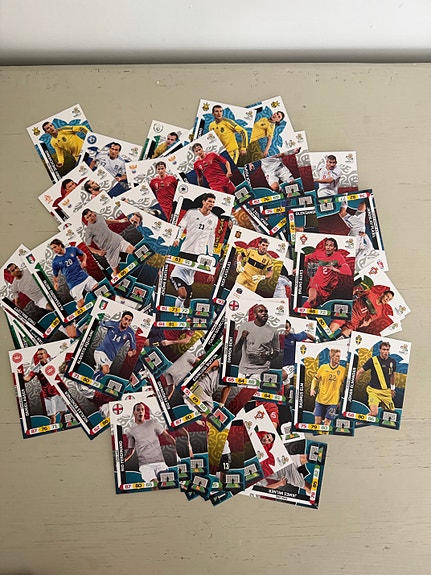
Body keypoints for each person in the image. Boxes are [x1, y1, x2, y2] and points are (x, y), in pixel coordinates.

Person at [170, 193, 218, 310]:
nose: (211, 204)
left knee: (188, 299)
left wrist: (210, 255)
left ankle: (182, 313)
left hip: (200, 254)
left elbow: (211, 237)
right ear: (203, 201)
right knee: (183, 294)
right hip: (186, 250)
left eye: (213, 202)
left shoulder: (214, 218)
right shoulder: (192, 213)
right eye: (209, 201)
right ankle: (175, 312)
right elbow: (181, 226)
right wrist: (177, 238)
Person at [124, 402, 179, 483]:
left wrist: (177, 447)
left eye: (142, 409)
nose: (140, 412)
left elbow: (166, 436)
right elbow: (131, 449)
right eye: (138, 410)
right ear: (134, 412)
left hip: (160, 463)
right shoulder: (130, 431)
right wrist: (123, 460)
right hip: (145, 466)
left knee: (167, 484)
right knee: (155, 484)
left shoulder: (153, 423)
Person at [19, 348, 67, 425]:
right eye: (38, 354)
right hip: (48, 395)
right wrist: (19, 375)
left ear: (46, 355)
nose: (39, 356)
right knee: (52, 417)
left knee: (63, 413)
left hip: (59, 391)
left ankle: (64, 428)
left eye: (41, 354)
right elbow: (27, 379)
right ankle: (53, 430)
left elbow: (64, 359)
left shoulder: (53, 361)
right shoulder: (37, 368)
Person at [82, 208, 135, 277]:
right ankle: (115, 276)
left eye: (90, 215)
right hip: (109, 251)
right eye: (87, 218)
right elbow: (88, 247)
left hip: (118, 241)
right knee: (117, 273)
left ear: (93, 213)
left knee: (135, 251)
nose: (90, 218)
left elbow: (106, 221)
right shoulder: (89, 231)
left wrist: (120, 221)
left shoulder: (100, 217)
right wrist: (98, 252)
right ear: (86, 220)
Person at [234, 304, 281, 380]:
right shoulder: (244, 326)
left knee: (252, 388)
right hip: (244, 370)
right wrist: (242, 338)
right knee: (240, 388)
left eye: (266, 311)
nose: (264, 313)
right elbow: (236, 349)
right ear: (255, 315)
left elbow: (277, 351)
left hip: (261, 370)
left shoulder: (273, 331)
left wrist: (269, 357)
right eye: (261, 311)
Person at [50, 238, 99, 309]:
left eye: (55, 247)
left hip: (83, 276)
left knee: (97, 288)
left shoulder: (72, 249)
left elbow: (84, 255)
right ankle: (78, 311)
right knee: (81, 304)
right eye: (52, 249)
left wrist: (84, 261)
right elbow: (55, 275)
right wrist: (55, 283)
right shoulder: (55, 261)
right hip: (73, 283)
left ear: (60, 245)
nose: (54, 250)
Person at [303, 237, 352, 308]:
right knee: (312, 298)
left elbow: (348, 272)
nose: (328, 247)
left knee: (314, 304)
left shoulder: (338, 257)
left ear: (335, 248)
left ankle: (303, 313)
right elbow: (307, 258)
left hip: (326, 287)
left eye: (331, 245)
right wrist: (299, 268)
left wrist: (334, 269)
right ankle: (299, 312)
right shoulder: (319, 254)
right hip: (316, 281)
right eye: (326, 245)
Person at [330, 287, 395, 338]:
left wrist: (366, 323)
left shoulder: (379, 311)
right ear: (382, 294)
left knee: (343, 336)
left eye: (389, 299)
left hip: (355, 321)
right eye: (387, 296)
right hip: (348, 310)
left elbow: (369, 320)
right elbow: (356, 292)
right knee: (331, 329)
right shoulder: (370, 293)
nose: (387, 299)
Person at [92, 309, 137, 382]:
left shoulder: (130, 333)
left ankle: (89, 384)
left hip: (111, 358)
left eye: (129, 320)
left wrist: (132, 352)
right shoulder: (112, 324)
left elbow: (134, 349)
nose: (127, 322)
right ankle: (90, 384)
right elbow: (99, 323)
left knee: (100, 373)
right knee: (106, 370)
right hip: (101, 352)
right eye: (125, 319)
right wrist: (88, 326)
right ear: (121, 318)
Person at [355, 341, 397, 417]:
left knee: (392, 415)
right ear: (380, 350)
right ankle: (360, 420)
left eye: (387, 350)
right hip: (373, 391)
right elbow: (359, 372)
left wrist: (392, 388)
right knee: (374, 413)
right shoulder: (373, 360)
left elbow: (393, 375)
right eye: (384, 349)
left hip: (386, 392)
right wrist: (353, 384)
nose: (386, 352)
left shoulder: (392, 362)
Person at [310, 348, 346, 426]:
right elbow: (315, 379)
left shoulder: (342, 370)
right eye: (337, 356)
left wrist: (341, 400)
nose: (339, 358)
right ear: (332, 357)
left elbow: (345, 386)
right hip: (320, 400)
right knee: (317, 423)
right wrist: (312, 389)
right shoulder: (323, 367)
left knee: (327, 424)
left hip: (333, 402)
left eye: (339, 356)